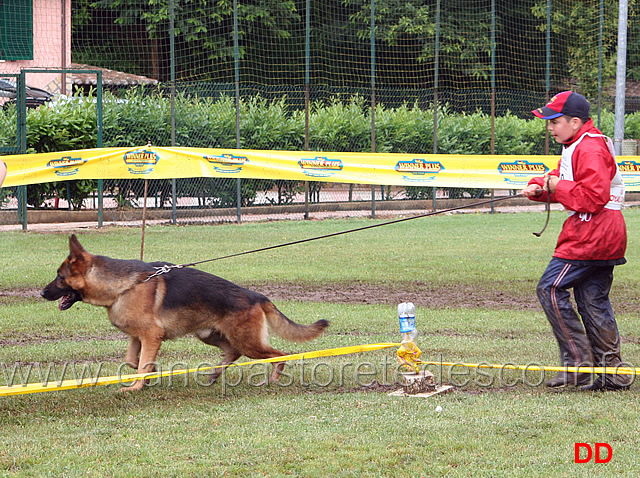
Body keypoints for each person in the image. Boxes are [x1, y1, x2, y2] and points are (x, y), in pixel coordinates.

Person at [521, 91, 630, 391]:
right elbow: (564, 180)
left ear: (574, 121)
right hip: (604, 233)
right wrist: (540, 188)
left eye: (554, 122)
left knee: (550, 287)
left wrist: (557, 186)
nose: (550, 128)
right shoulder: (577, 144)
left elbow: (594, 197)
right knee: (592, 302)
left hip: (592, 233)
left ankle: (578, 364)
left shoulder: (590, 148)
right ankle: (613, 373)